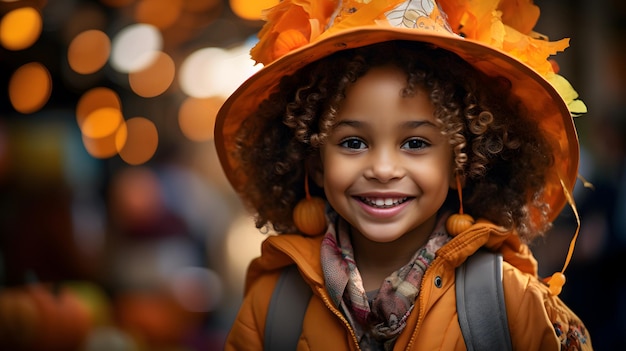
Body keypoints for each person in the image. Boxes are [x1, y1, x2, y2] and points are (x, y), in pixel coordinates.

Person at [214, 0, 593, 349]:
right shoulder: (270, 304)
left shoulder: (513, 303)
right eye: (353, 143)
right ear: (314, 160)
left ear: (461, 161)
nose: (382, 169)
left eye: (414, 144)